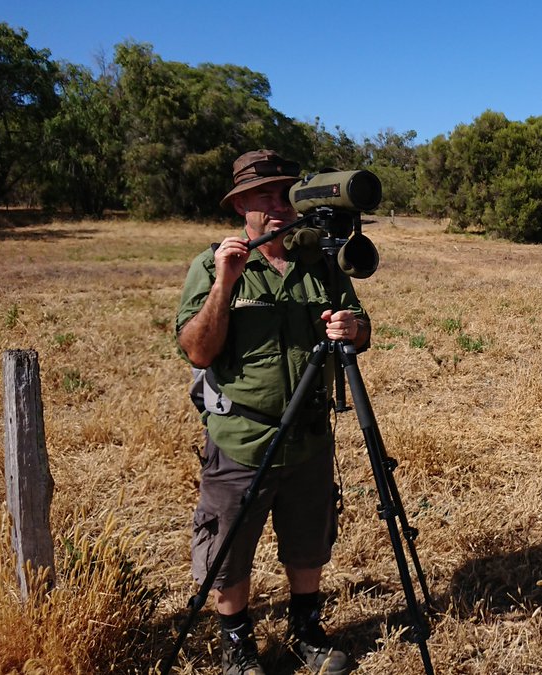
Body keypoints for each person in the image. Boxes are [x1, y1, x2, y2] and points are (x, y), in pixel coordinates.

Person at [175, 150, 370, 675]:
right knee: (228, 551)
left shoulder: (320, 261)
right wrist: (225, 282)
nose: (276, 204)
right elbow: (197, 349)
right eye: (262, 195)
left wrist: (353, 329)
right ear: (241, 205)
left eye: (284, 192)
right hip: (243, 437)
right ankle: (237, 645)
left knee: (309, 543)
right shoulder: (214, 263)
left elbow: (362, 325)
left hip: (308, 437)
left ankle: (306, 629)